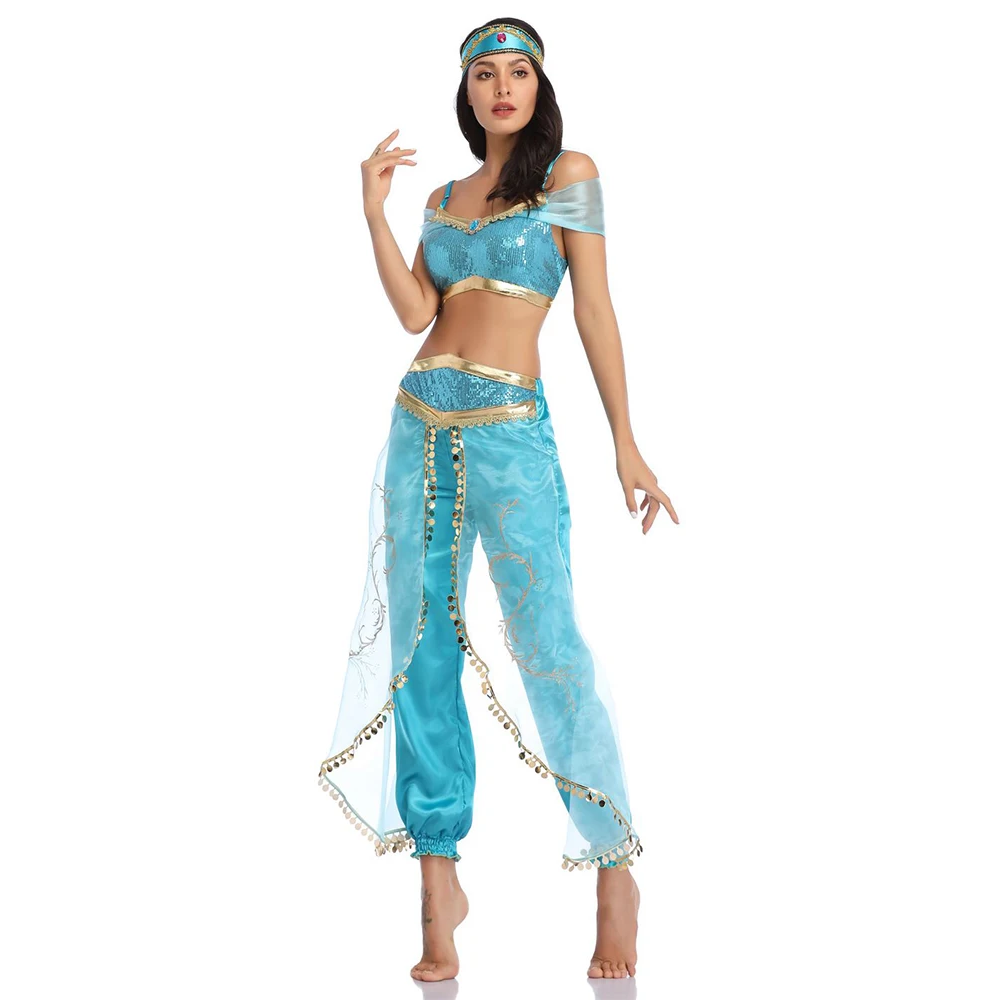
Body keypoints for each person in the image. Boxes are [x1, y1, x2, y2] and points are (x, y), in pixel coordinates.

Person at [317, 17, 679, 983]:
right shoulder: (441, 198)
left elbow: (594, 307)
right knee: (421, 648)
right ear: (468, 93)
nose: (503, 87)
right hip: (418, 427)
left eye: (519, 72)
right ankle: (437, 888)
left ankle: (613, 871)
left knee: (548, 645)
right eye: (486, 74)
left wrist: (627, 442)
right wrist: (373, 212)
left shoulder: (569, 176)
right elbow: (414, 313)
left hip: (512, 432)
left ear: (539, 87)